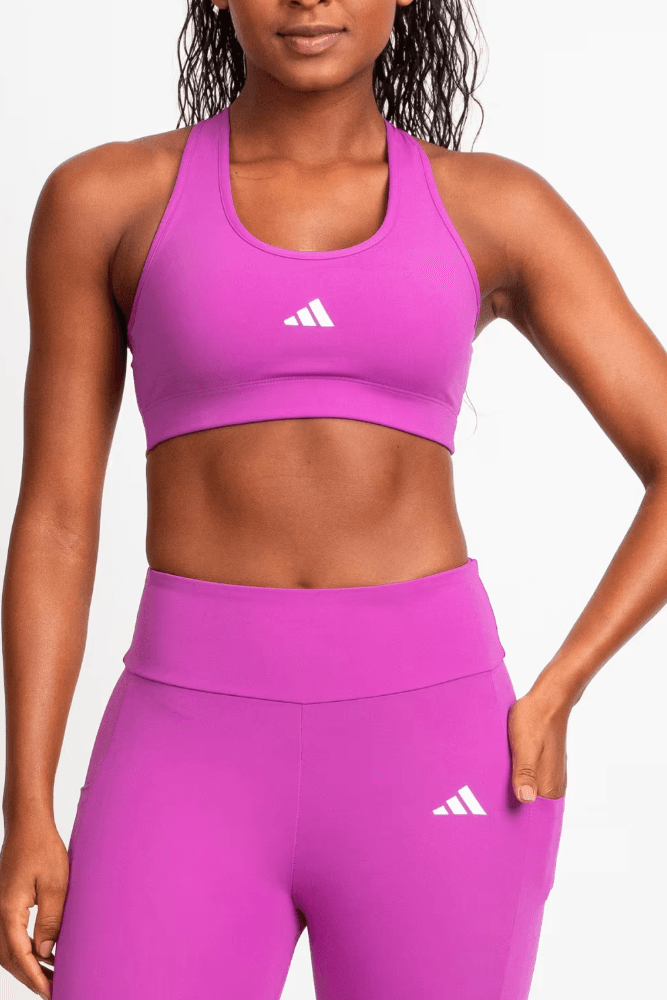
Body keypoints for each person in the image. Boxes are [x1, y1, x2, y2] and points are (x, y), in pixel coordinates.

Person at [2, 0, 667, 997]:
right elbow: (56, 521)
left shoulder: (494, 208)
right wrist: (26, 803)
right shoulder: (105, 201)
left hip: (436, 743)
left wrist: (562, 684)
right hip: (184, 748)